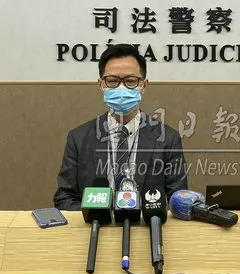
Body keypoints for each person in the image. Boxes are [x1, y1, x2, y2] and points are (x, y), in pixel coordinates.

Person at [54, 44, 188, 210]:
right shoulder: (78, 138)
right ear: (101, 85)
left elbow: (177, 200)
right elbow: (64, 198)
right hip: (95, 224)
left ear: (144, 86)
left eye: (130, 81)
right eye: (112, 81)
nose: (121, 88)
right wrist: (100, 217)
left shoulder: (168, 139)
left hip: (145, 225)